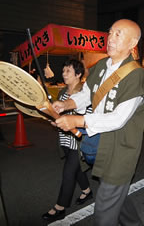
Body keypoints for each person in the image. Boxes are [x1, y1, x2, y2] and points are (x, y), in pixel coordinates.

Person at [52, 19, 144, 226]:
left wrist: (77, 120)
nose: (111, 38)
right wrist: (68, 104)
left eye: (118, 34)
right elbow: (88, 93)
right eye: (110, 32)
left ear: (132, 42)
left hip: (121, 147)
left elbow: (118, 118)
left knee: (104, 210)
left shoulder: (135, 74)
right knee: (116, 198)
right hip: (100, 143)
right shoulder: (102, 66)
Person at [42, 59, 92, 222]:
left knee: (68, 173)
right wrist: (55, 120)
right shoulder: (63, 92)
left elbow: (89, 117)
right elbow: (60, 115)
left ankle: (60, 207)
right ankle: (87, 190)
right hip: (65, 138)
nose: (64, 74)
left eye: (68, 71)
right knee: (76, 170)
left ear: (78, 74)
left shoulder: (85, 93)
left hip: (79, 140)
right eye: (63, 71)